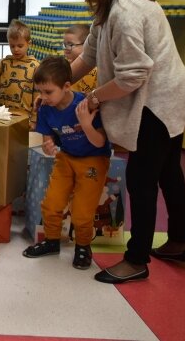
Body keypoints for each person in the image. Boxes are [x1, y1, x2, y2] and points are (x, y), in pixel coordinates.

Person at [64, 0, 185, 284]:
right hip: (165, 96)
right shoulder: (107, 9)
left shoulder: (126, 11)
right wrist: (59, 84)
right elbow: (89, 56)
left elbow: (133, 75)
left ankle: (136, 259)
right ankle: (179, 242)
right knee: (169, 171)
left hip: (158, 102)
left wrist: (93, 97)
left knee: (142, 179)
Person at [21, 56, 111, 270]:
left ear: (67, 86)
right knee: (51, 204)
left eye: (48, 92)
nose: (43, 97)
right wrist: (48, 144)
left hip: (93, 159)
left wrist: (86, 124)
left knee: (82, 211)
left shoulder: (85, 105)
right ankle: (52, 241)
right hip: (66, 158)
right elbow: (46, 137)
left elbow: (100, 142)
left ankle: (83, 246)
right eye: (40, 92)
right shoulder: (45, 108)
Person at [0, 19, 40, 128]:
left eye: (20, 46)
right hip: (1, 114)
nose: (16, 49)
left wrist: (34, 119)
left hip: (24, 117)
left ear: (29, 44)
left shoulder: (35, 66)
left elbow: (37, 94)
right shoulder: (2, 64)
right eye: (12, 46)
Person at [62, 24, 97, 93]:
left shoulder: (96, 72)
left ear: (87, 45)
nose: (66, 48)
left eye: (70, 44)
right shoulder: (64, 67)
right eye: (64, 45)